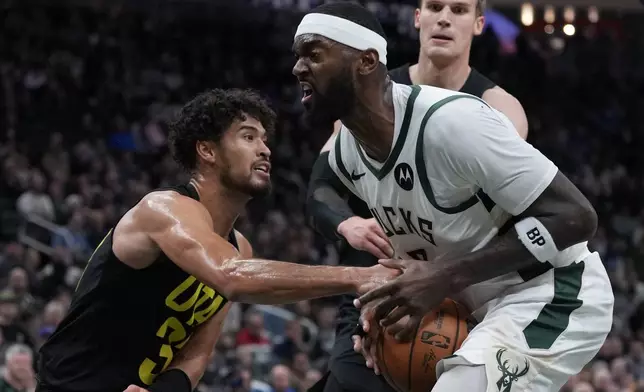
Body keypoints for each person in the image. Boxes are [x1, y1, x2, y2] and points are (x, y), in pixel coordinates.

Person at [292, 3, 613, 392]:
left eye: (314, 54)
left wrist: (444, 277)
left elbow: (577, 217)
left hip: (552, 294)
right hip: (469, 303)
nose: (298, 68)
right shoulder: (346, 153)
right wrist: (385, 313)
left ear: (365, 61)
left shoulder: (456, 122)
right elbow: (326, 201)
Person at [35, 88, 397, 392]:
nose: (265, 149)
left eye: (265, 139)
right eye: (248, 136)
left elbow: (197, 352)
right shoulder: (162, 209)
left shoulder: (240, 247)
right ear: (207, 151)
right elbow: (231, 276)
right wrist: (358, 276)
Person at [305, 1, 527, 391]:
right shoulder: (367, 92)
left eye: (458, 9)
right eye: (434, 6)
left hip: (462, 293)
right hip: (378, 289)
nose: (444, 17)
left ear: (478, 24)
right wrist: (347, 222)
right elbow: (320, 190)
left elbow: (518, 217)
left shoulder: (499, 110)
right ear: (417, 18)